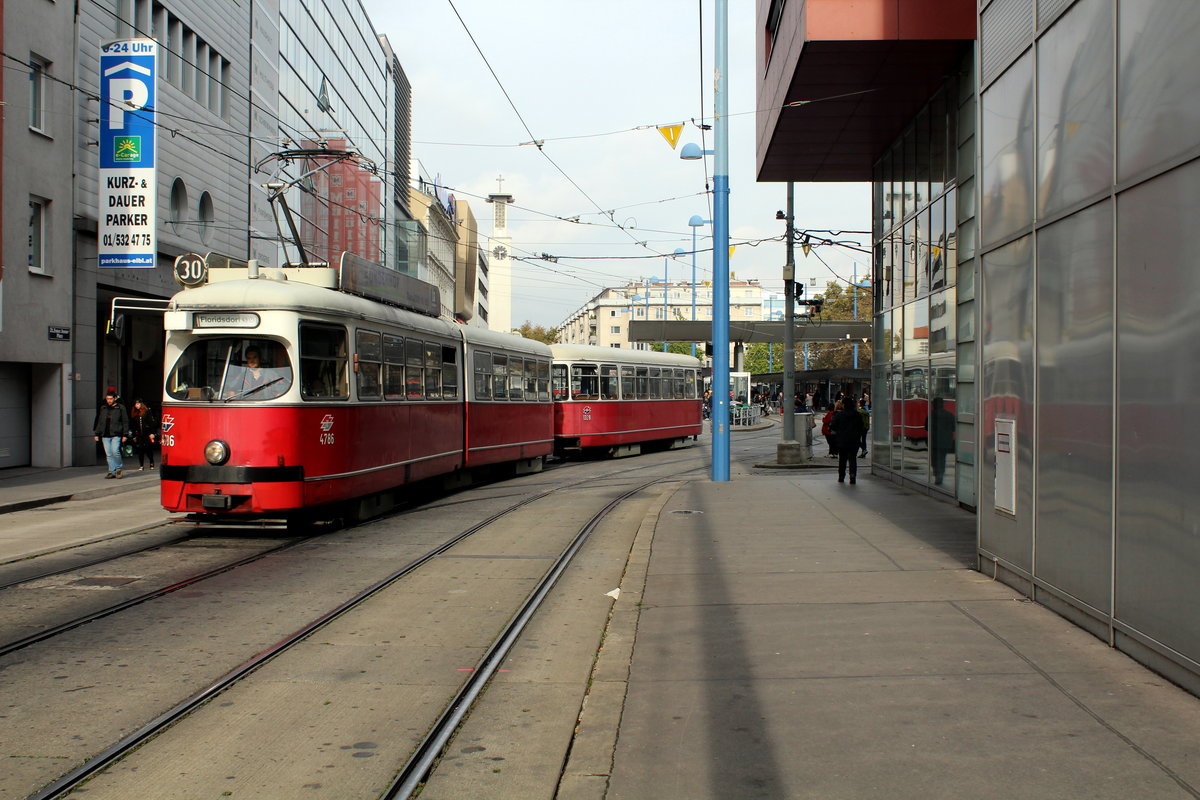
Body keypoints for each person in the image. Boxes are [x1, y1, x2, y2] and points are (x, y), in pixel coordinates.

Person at [92, 390, 130, 479]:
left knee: (115, 451)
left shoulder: (120, 408)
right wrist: (97, 433)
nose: (108, 400)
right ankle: (111, 471)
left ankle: (118, 468)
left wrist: (125, 434)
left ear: (115, 398)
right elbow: (100, 421)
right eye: (107, 399)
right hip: (105, 434)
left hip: (116, 433)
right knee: (108, 454)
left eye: (110, 399)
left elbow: (125, 421)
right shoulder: (103, 408)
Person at [830, 398, 866, 484]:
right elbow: (861, 428)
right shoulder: (857, 415)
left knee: (842, 459)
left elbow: (833, 426)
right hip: (854, 441)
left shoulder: (839, 415)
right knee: (852, 459)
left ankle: (841, 476)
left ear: (844, 405)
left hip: (842, 440)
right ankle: (852, 476)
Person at [129, 398, 158, 470]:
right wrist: (134, 435)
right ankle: (141, 465)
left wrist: (153, 433)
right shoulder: (135, 413)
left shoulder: (147, 412)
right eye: (136, 404)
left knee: (148, 448)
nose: (137, 405)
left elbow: (151, 423)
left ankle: (151, 462)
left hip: (147, 433)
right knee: (140, 449)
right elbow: (133, 425)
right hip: (139, 434)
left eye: (138, 404)